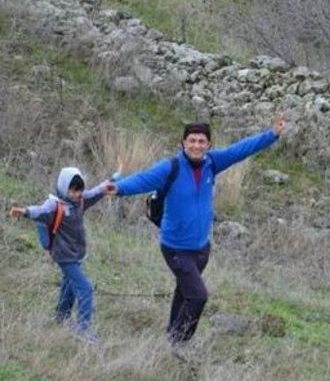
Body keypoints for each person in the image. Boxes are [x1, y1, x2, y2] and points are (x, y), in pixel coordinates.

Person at [105, 115, 285, 346]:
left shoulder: (213, 163)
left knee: (184, 292)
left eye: (201, 141)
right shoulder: (171, 167)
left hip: (201, 248)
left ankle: (171, 337)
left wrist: (272, 135)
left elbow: (240, 150)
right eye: (192, 141)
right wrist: (118, 188)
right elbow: (143, 179)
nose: (196, 146)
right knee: (198, 296)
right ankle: (180, 344)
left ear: (208, 145)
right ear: (183, 143)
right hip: (175, 247)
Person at [9, 166, 116, 343]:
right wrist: (25, 211)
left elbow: (94, 193)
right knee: (85, 288)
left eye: (79, 190)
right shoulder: (54, 205)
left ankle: (61, 315)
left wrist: (108, 184)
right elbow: (40, 211)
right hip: (64, 256)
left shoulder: (80, 200)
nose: (77, 194)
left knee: (69, 284)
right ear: (64, 187)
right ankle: (83, 329)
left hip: (76, 254)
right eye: (73, 190)